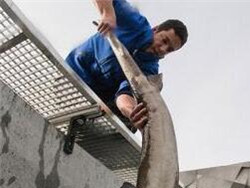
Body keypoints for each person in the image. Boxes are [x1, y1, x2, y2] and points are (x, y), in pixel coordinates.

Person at [65, 0, 188, 132]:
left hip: (98, 98)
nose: (163, 49)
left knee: (134, 118)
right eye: (164, 40)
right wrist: (108, 13)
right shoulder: (134, 23)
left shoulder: (149, 70)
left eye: (169, 49)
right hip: (75, 74)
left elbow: (125, 94)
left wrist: (131, 112)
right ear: (155, 29)